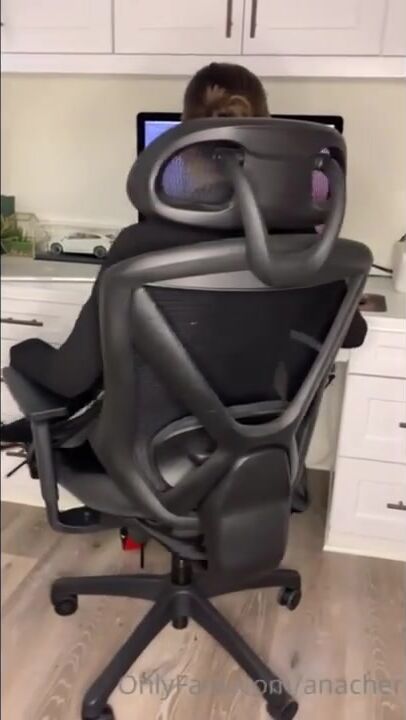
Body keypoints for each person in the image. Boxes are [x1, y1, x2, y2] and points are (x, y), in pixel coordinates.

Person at [1, 62, 367, 445]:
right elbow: (352, 335)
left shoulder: (140, 246)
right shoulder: (306, 249)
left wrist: (23, 352)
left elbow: (71, 377)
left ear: (183, 149)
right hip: (256, 455)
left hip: (151, 456)